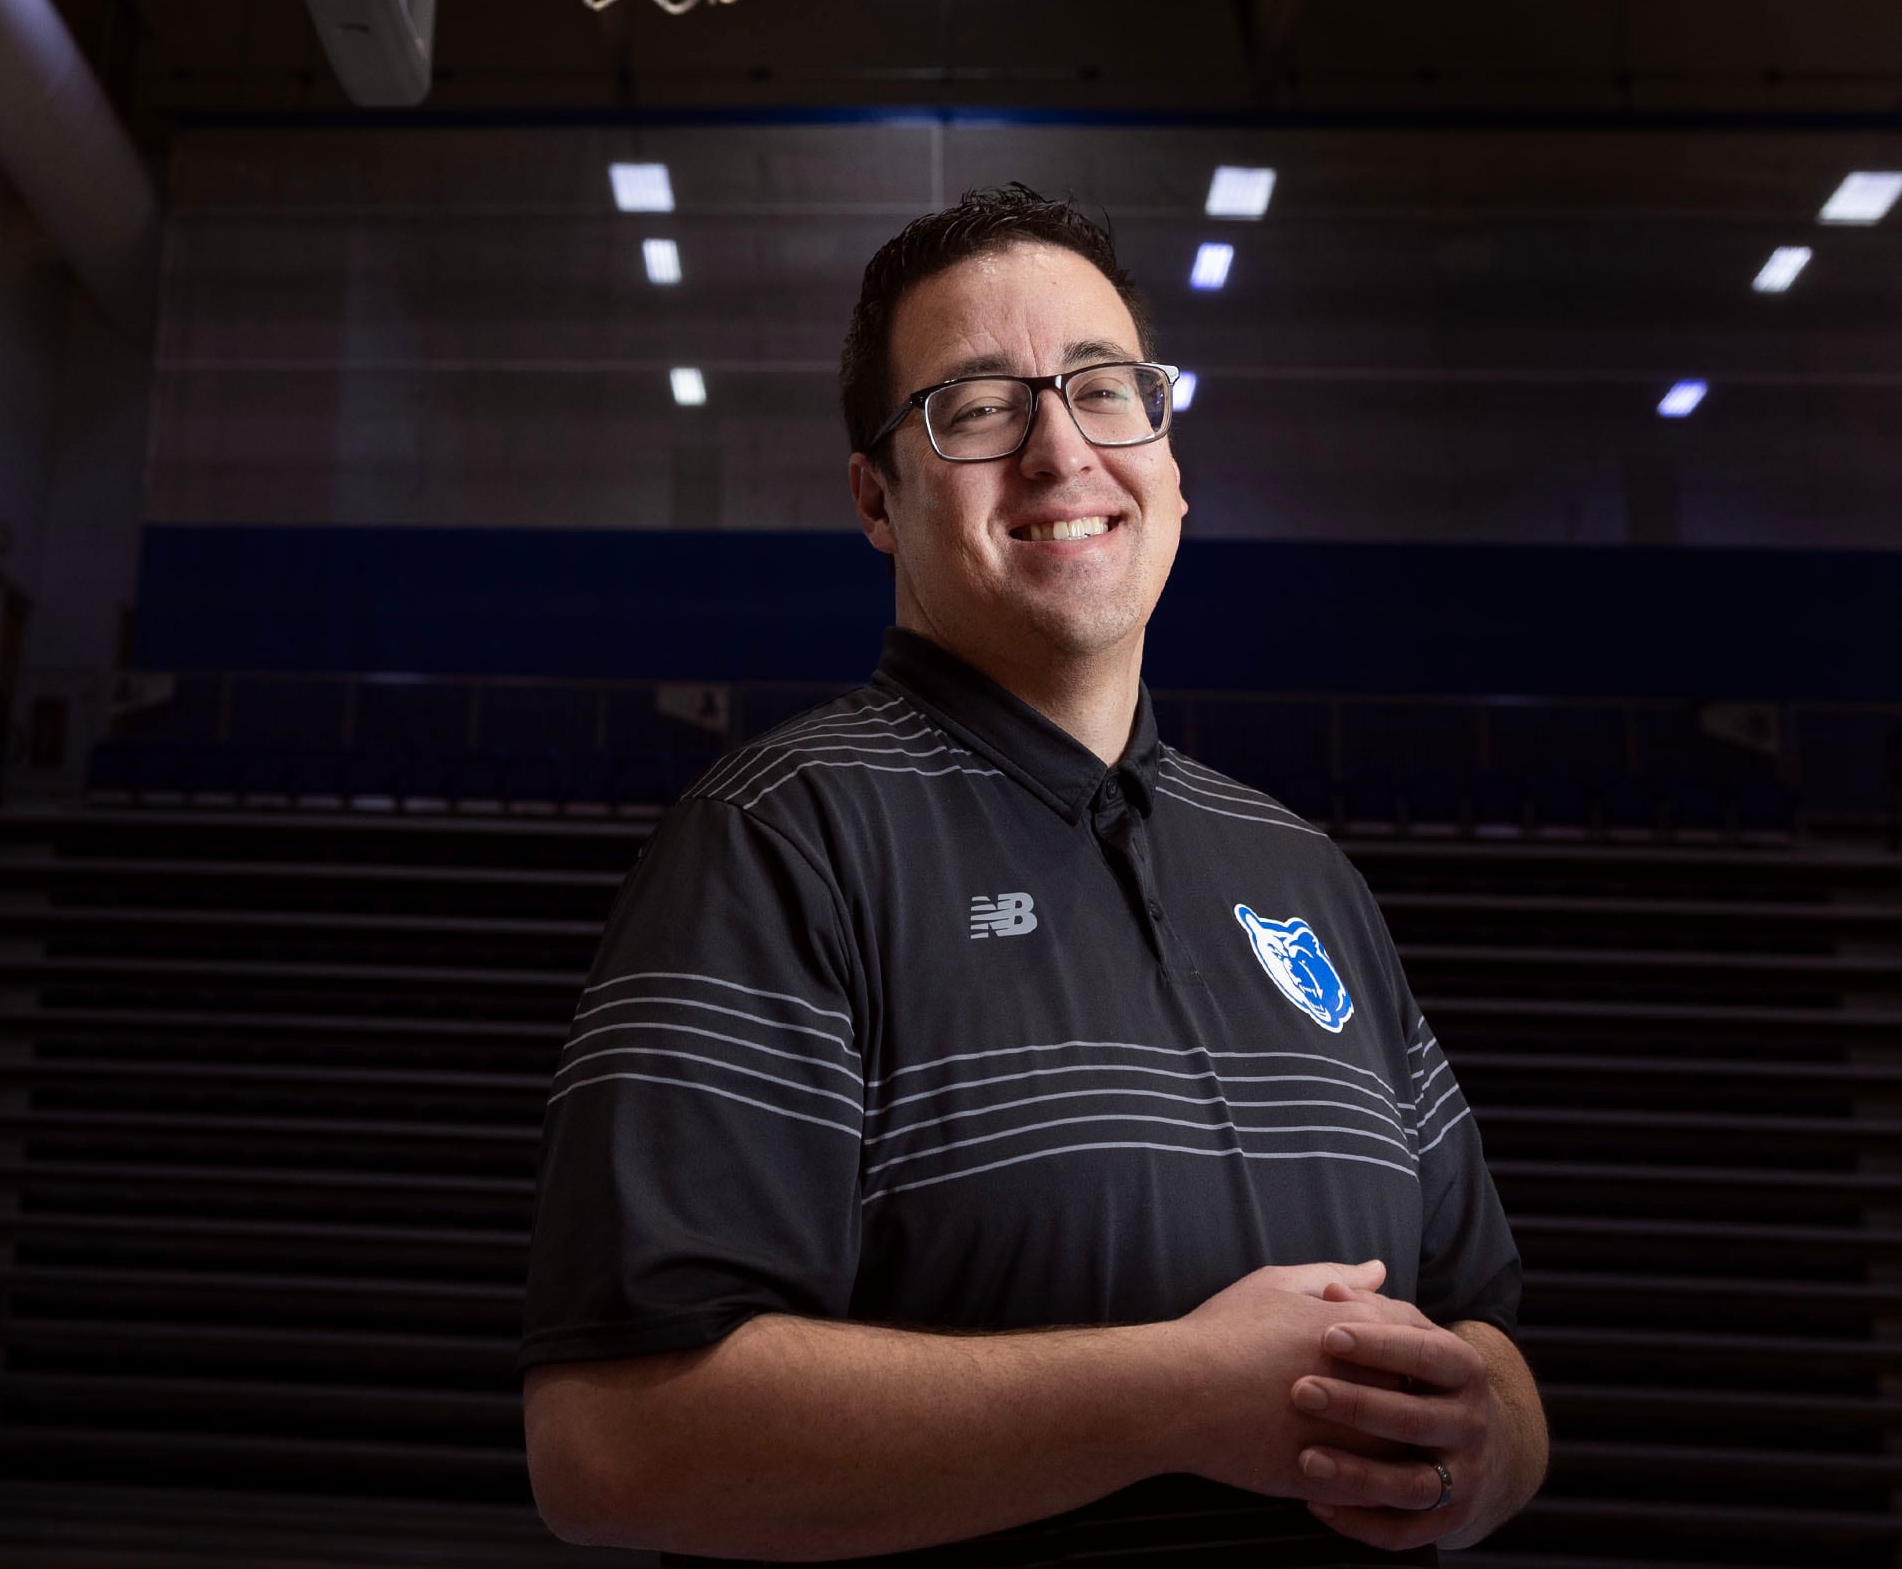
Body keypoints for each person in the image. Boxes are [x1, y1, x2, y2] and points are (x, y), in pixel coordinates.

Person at [519, 185, 1546, 1567]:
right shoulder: (777, 840)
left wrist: (1484, 1452)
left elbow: (1495, 1344)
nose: (1062, 449)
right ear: (876, 497)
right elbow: (613, 1444)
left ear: (1171, 461)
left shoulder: (1303, 869)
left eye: (1106, 389)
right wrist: (1176, 1394)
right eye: (981, 407)